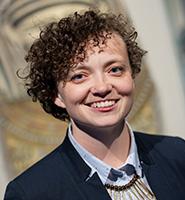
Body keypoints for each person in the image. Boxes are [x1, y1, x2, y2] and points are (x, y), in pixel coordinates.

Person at [4, 9, 185, 200]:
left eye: (115, 69)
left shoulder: (177, 154)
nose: (102, 87)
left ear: (132, 76)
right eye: (79, 76)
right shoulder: (31, 193)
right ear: (56, 94)